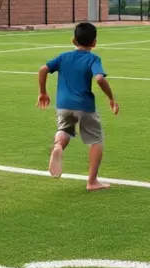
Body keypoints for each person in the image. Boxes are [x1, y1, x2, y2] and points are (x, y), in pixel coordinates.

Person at [37, 22, 120, 191]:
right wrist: (111, 97)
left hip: (63, 105)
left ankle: (58, 146)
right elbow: (99, 79)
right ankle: (92, 181)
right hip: (85, 106)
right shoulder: (92, 58)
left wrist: (43, 92)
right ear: (94, 42)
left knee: (64, 131)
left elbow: (43, 69)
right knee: (96, 140)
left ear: (73, 41)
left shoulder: (63, 57)